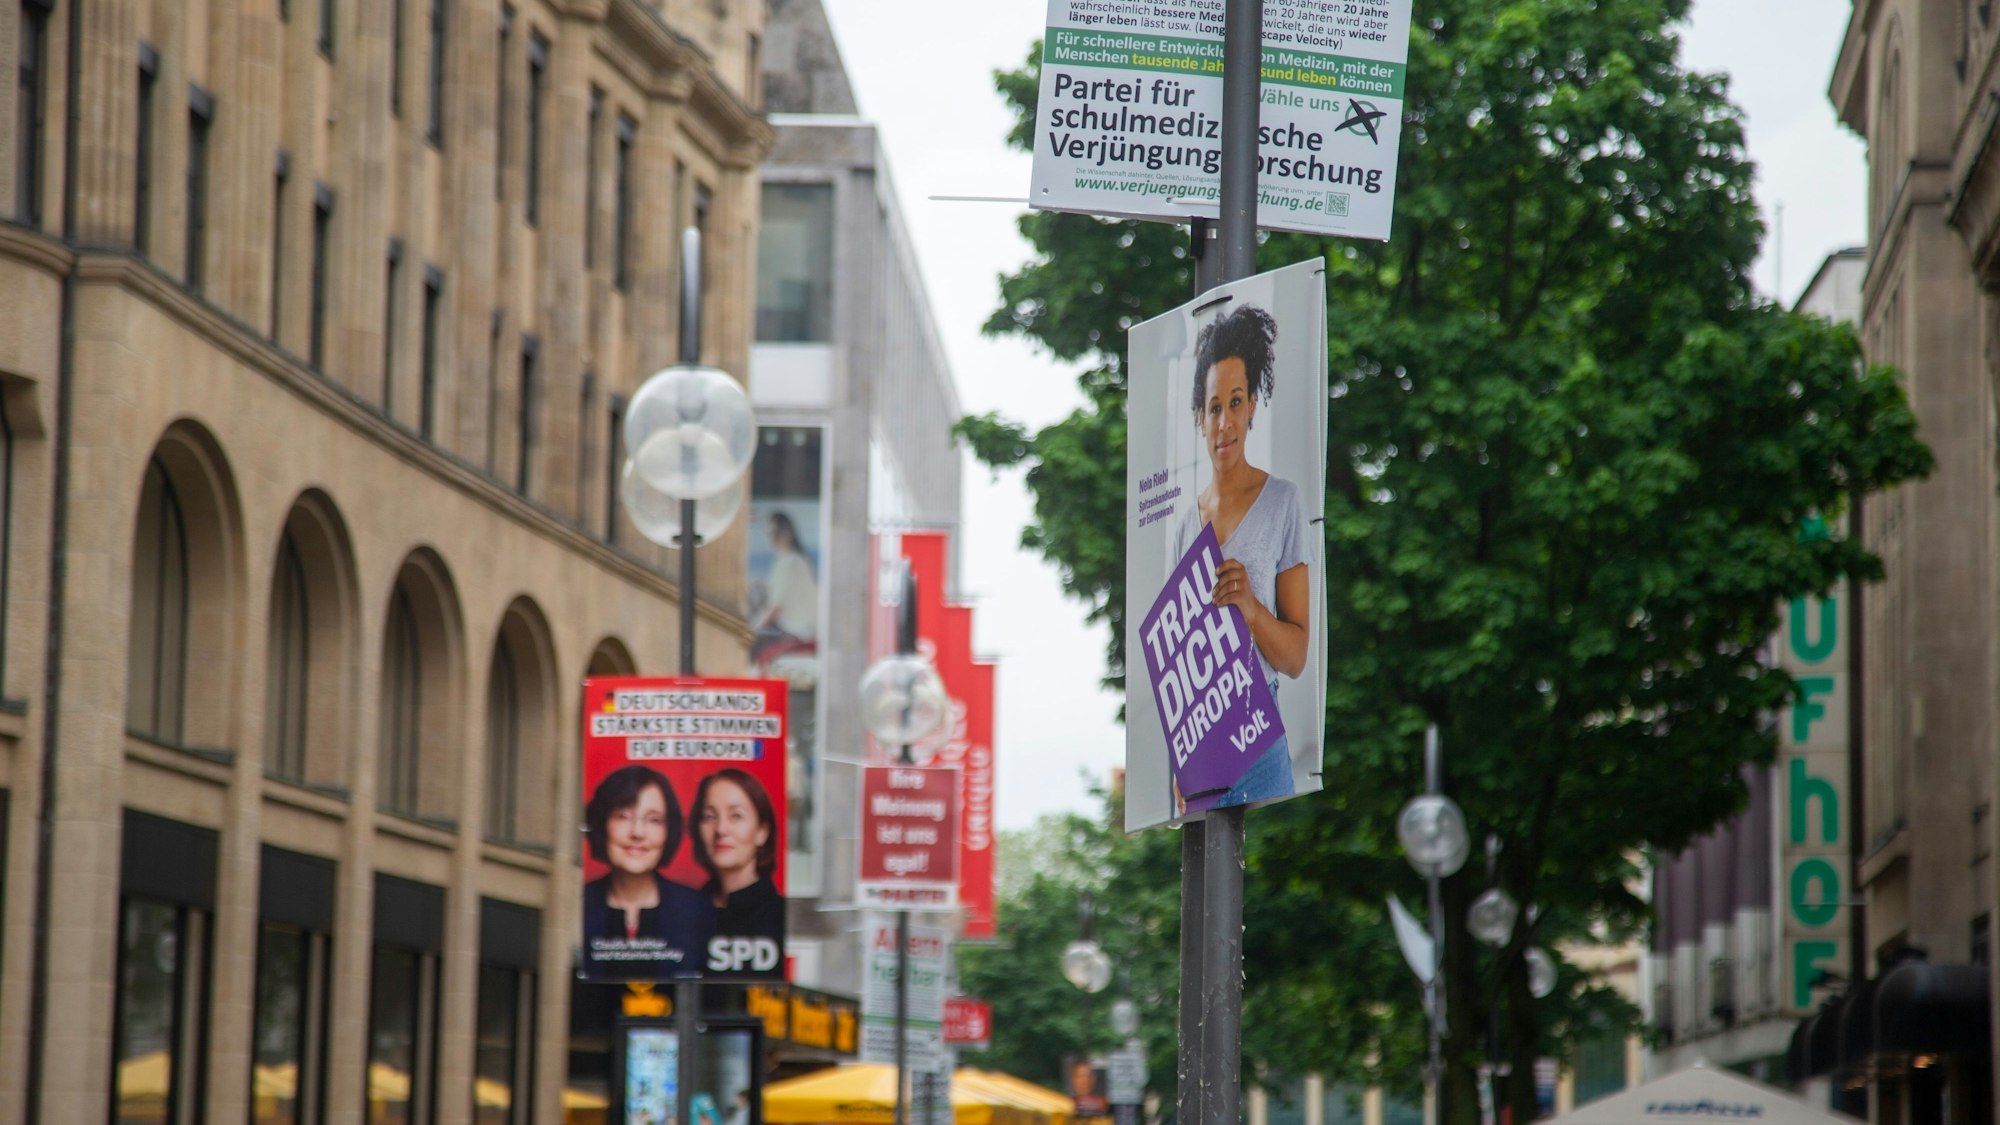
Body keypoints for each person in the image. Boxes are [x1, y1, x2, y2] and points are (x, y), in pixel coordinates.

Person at [1170, 303, 1311, 810]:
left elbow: (1295, 658)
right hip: (1203, 748)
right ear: (1199, 419)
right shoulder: (1186, 524)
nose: (1224, 422)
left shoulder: (1282, 502)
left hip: (1258, 732)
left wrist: (1251, 609)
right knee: (1204, 886)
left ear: (1253, 403)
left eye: (1235, 402)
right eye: (1213, 408)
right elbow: (1178, 664)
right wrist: (1179, 760)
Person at [581, 765, 714, 978]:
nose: (638, 833)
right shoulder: (578, 905)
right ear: (601, 824)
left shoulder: (699, 910)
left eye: (654, 820)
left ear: (668, 831)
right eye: (623, 816)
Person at [691, 768, 784, 944]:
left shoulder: (782, 917)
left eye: (736, 816)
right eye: (710, 817)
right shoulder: (682, 913)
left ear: (762, 831)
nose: (720, 830)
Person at [750, 511, 819, 672]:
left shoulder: (791, 563)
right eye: (769, 534)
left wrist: (751, 630)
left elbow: (775, 608)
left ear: (786, 533)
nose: (771, 539)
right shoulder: (790, 561)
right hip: (794, 630)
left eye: (774, 533)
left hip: (796, 633)